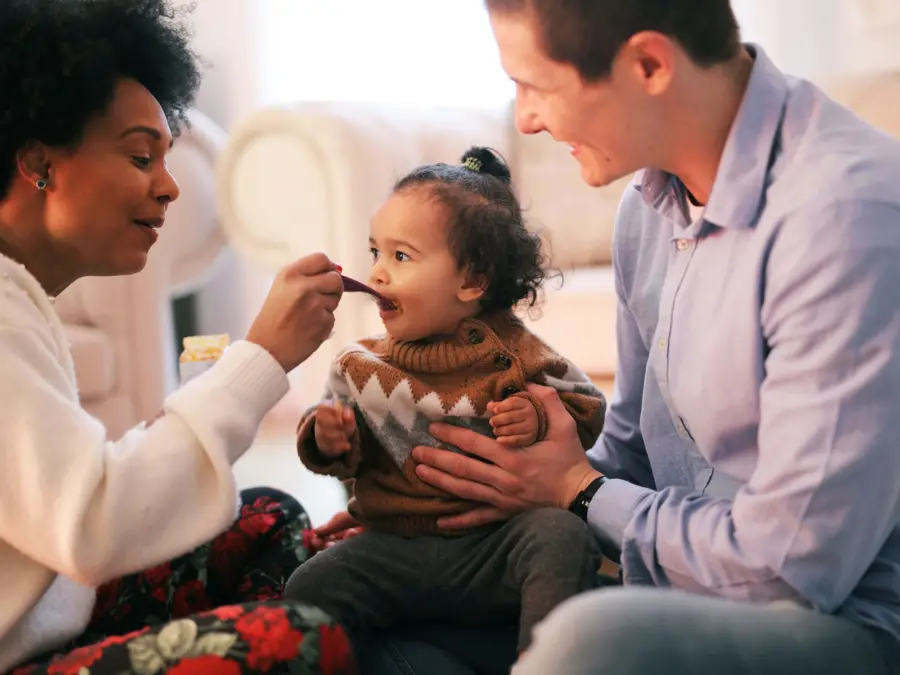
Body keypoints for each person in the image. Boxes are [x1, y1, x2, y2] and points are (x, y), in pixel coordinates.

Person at [324, 1, 900, 673]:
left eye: (535, 86)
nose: (527, 119)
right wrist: (453, 510)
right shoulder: (649, 207)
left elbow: (792, 570)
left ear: (649, 64)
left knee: (588, 641)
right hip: (668, 586)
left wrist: (580, 489)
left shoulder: (844, 217)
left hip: (830, 621)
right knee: (350, 618)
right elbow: (634, 447)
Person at [0, 1, 354, 673]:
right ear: (39, 164)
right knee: (300, 639)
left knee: (266, 518)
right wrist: (262, 358)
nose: (167, 188)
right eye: (140, 156)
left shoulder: (19, 293)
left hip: (55, 615)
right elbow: (94, 522)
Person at [283, 147, 606, 654]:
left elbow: (587, 408)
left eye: (401, 256)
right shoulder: (358, 365)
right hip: (393, 550)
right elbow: (333, 454)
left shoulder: (518, 355)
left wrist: (538, 419)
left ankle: (543, 662)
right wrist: (327, 437)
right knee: (309, 585)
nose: (378, 273)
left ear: (472, 280)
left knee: (561, 537)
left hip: (494, 549)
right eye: (375, 253)